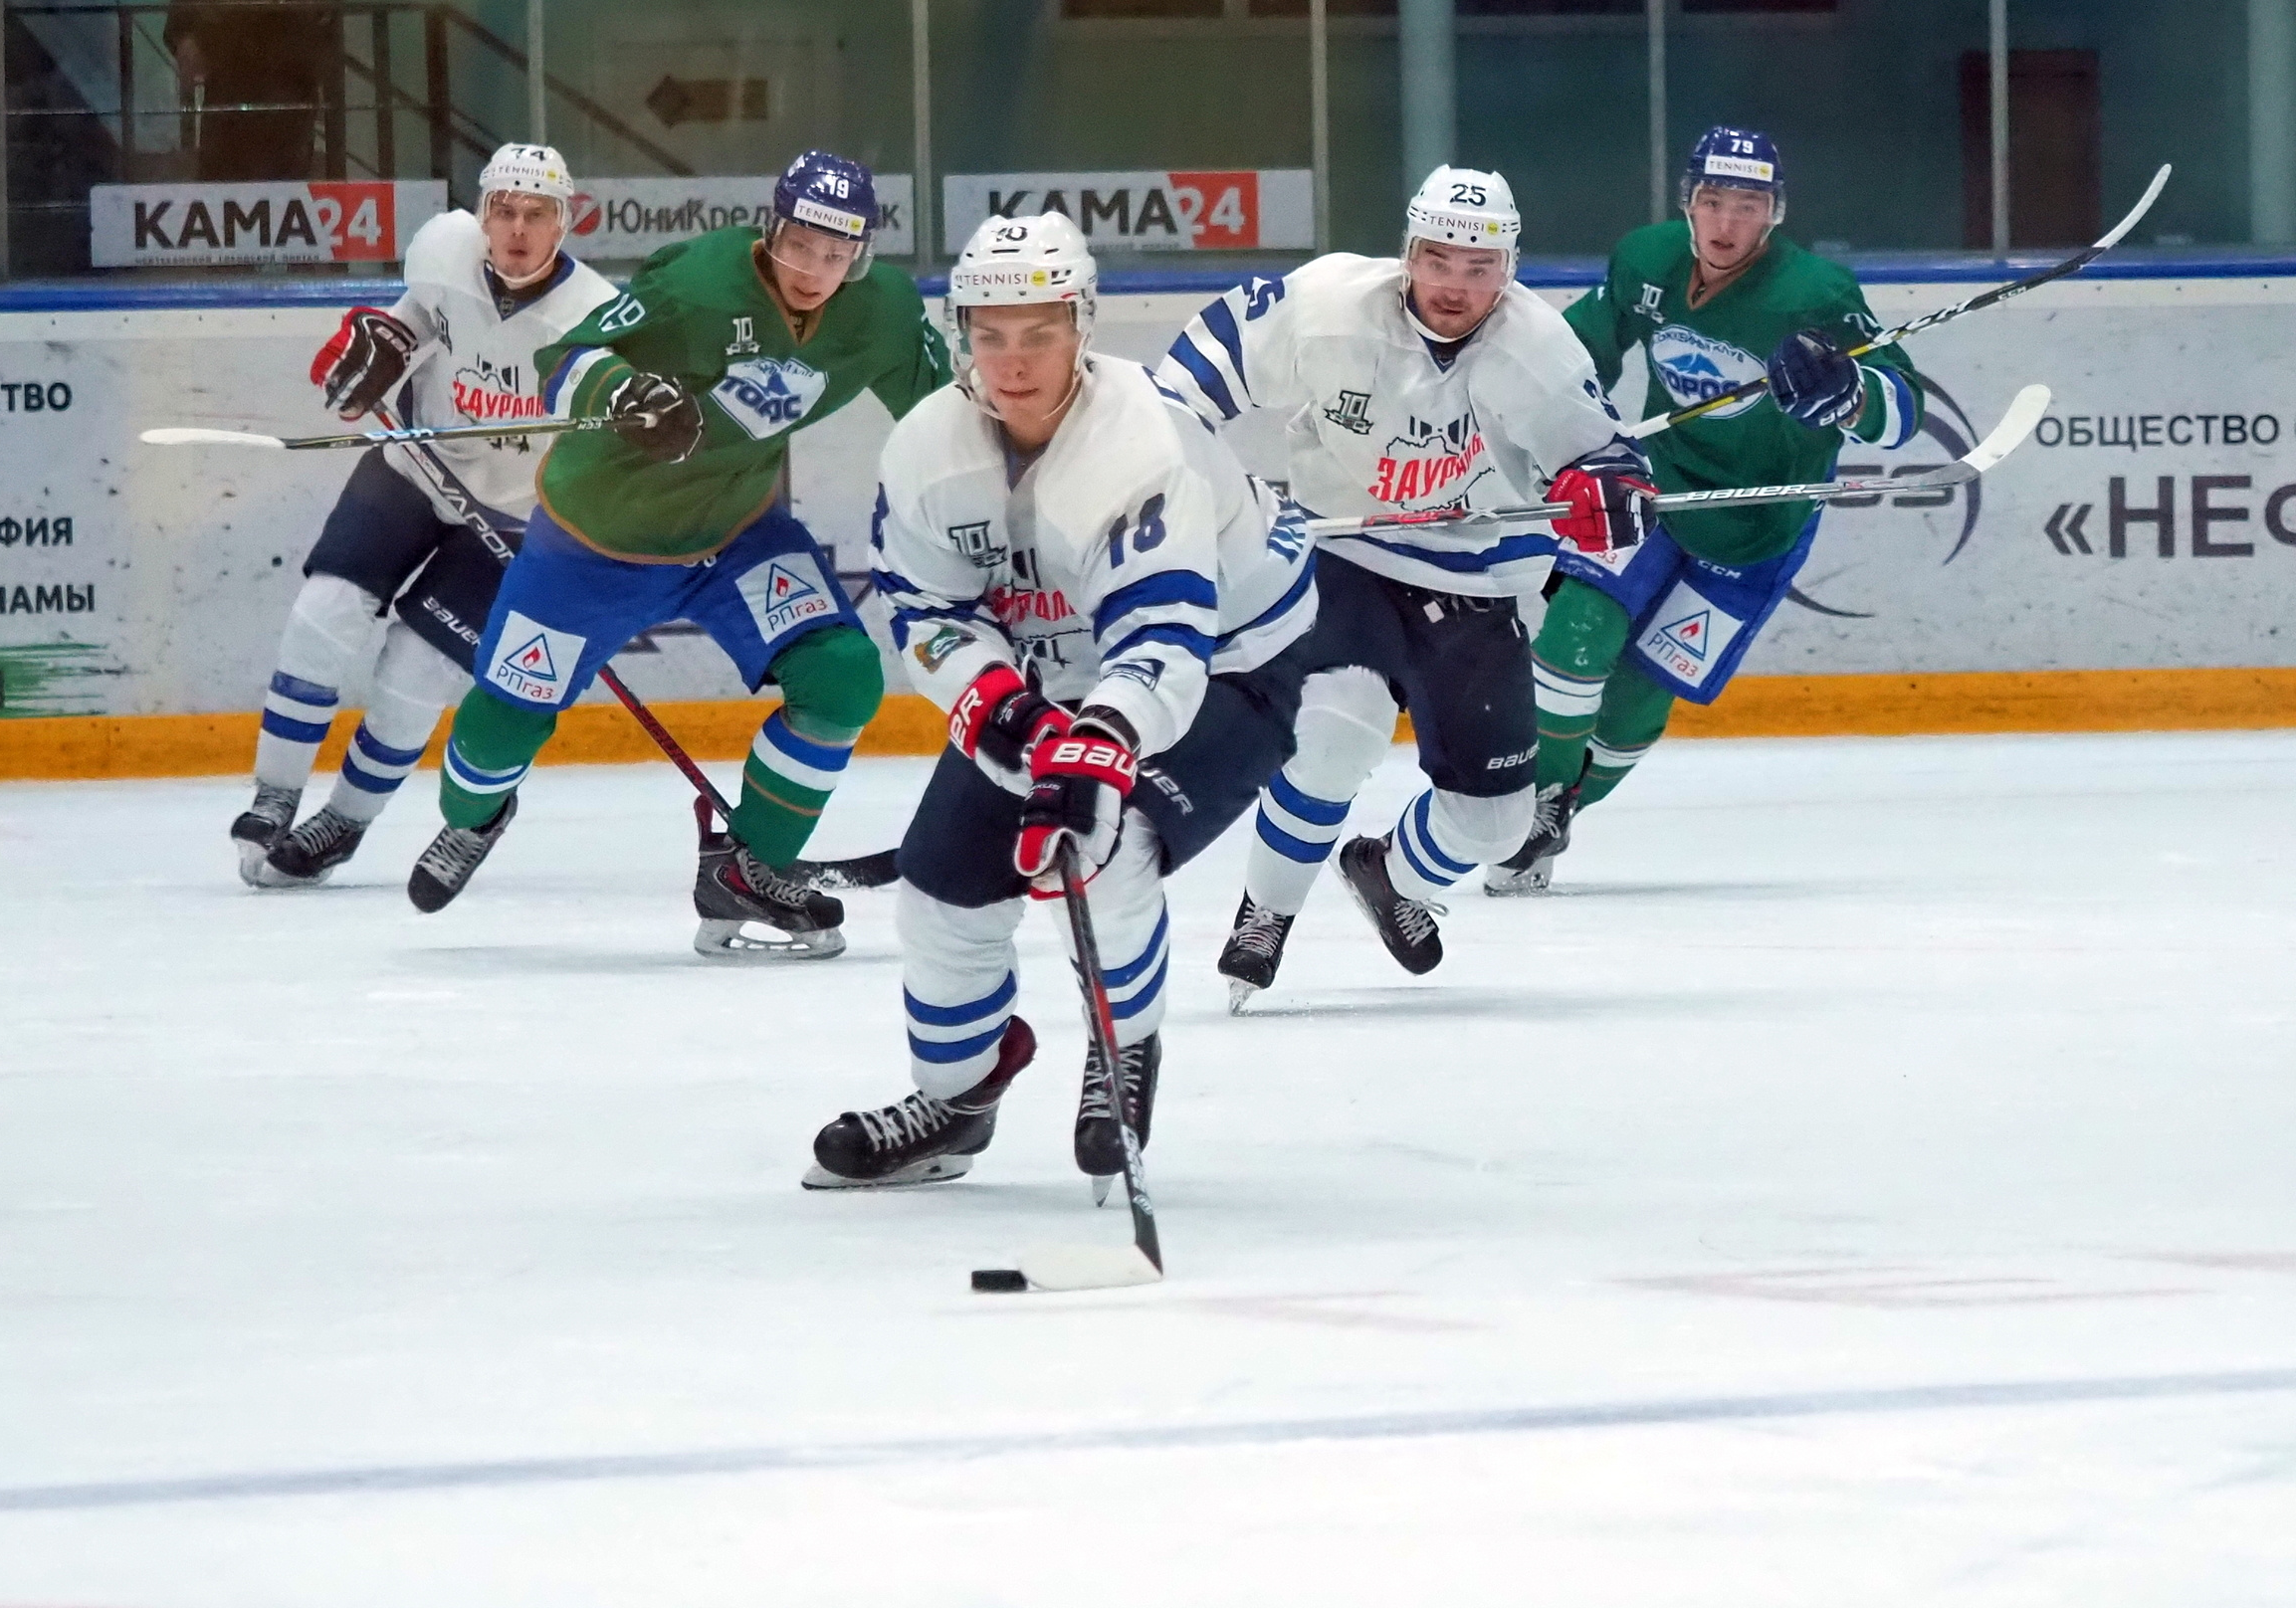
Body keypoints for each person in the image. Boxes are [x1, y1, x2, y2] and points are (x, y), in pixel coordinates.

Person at [801, 212, 1318, 1190]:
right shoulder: (926, 446)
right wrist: (1000, 707)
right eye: (988, 333)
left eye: (1039, 331)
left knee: (1099, 846)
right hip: (1048, 681)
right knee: (940, 891)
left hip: (1233, 663)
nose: (1012, 359)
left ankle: (1122, 1048)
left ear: (1083, 325)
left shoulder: (1143, 435)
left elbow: (1163, 629)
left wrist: (1104, 737)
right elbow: (925, 604)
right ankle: (958, 1098)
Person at [405, 151, 953, 961]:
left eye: (840, 254)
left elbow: (950, 420)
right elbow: (566, 362)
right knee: (494, 738)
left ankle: (747, 871)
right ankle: (478, 816)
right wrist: (622, 395)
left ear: (863, 254)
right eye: (801, 245)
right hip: (594, 542)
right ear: (773, 229)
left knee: (840, 676)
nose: (816, 270)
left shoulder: (883, 313)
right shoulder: (697, 283)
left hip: (734, 534)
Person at [1150, 167, 1653, 1007]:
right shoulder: (1326, 307)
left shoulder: (1541, 350)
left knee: (1499, 828)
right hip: (1345, 558)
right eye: (1439, 259)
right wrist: (1182, 481)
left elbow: (1608, 469)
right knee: (1333, 737)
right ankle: (1265, 912)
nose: (1456, 285)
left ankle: (1389, 870)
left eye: (1480, 266)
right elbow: (1183, 387)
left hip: (1474, 585)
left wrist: (1607, 494)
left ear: (1511, 268)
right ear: (1407, 253)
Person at [1494, 126, 1923, 894]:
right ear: (1687, 202)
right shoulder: (1645, 257)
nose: (1726, 224)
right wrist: (1523, 418)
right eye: (1713, 202)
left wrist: (1850, 395)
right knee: (1576, 632)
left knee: (1632, 703)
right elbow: (1575, 353)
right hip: (1655, 490)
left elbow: (1904, 410)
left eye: (1748, 207)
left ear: (1776, 213)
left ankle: (1556, 812)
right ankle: (1524, 819)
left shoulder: (1817, 294)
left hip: (1755, 527)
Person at [229, 143, 614, 888]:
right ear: (482, 211)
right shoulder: (445, 252)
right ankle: (274, 794)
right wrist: (366, 359)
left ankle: (343, 821)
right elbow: (404, 329)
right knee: (325, 611)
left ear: (566, 222)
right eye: (503, 209)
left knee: (415, 675)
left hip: (510, 513)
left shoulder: (590, 314)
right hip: (412, 465)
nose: (517, 229)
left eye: (537, 213)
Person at [164, 0, 338, 182]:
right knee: (225, 185)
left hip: (286, 93)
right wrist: (188, 39)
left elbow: (321, 20)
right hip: (229, 96)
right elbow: (181, 27)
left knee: (282, 183)